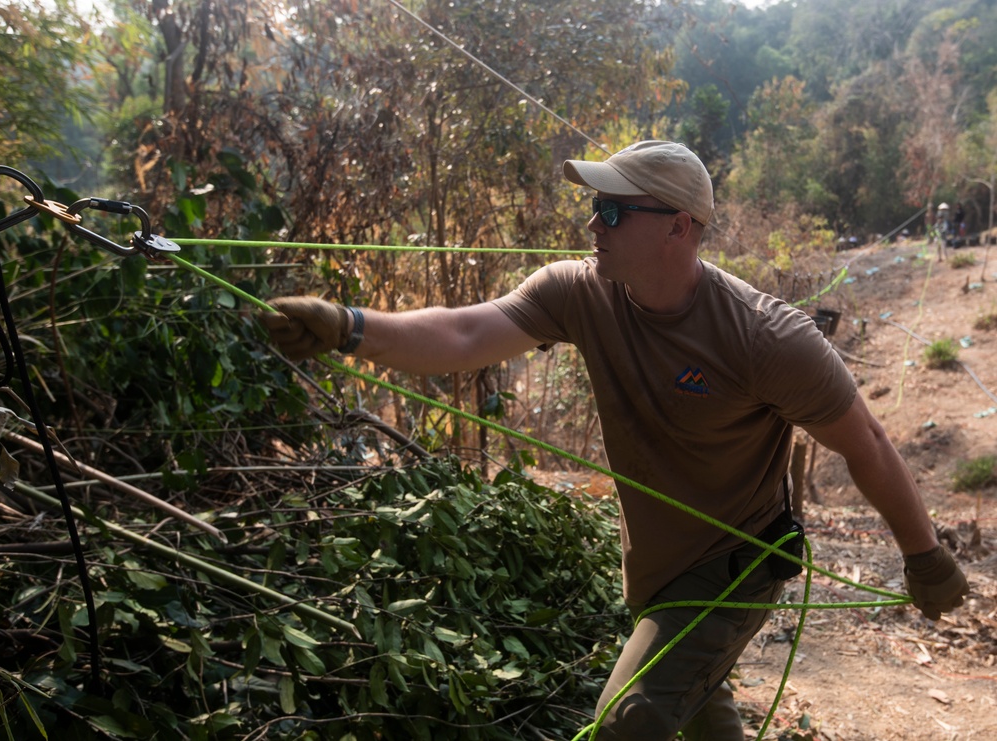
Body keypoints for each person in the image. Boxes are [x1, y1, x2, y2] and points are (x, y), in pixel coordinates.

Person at [259, 141, 970, 741]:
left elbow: (867, 442)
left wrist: (925, 556)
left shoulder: (766, 337)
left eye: (613, 209)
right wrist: (349, 327)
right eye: (595, 206)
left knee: (629, 718)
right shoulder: (578, 292)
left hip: (734, 565)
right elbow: (466, 332)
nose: (592, 224)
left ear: (680, 228)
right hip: (656, 567)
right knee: (701, 715)